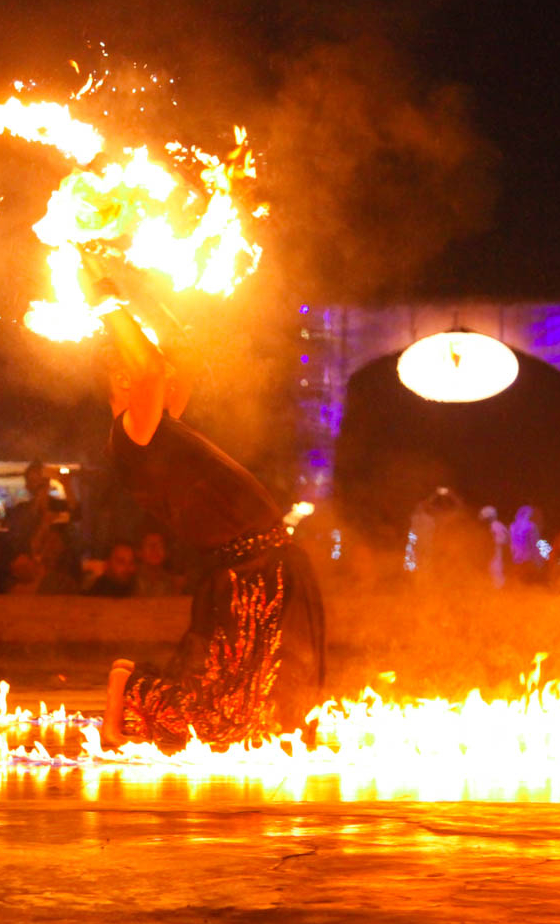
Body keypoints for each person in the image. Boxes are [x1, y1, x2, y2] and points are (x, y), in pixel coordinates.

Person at [87, 254, 325, 749]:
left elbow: (183, 354)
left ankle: (130, 693)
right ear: (127, 381)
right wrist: (105, 297)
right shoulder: (134, 434)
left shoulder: (159, 426)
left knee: (256, 709)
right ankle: (129, 692)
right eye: (150, 372)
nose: (169, 374)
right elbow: (153, 364)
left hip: (262, 569)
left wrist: (135, 288)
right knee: (223, 716)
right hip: (249, 576)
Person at [134, 530, 183, 596]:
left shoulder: (172, 583)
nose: (154, 549)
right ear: (139, 552)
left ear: (166, 553)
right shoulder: (130, 580)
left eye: (159, 545)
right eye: (149, 545)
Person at [481, 505, 509, 588]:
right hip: (494, 555)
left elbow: (504, 539)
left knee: (496, 575)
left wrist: (493, 542)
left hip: (497, 555)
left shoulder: (496, 526)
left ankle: (499, 594)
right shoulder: (493, 526)